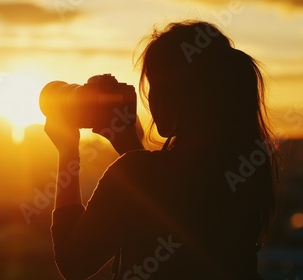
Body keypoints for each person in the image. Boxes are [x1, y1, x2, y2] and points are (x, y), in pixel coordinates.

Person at [44, 20, 280, 280]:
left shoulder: (139, 172)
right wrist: (129, 147)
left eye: (154, 85)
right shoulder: (247, 168)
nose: (150, 98)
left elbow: (73, 263)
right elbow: (166, 208)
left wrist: (67, 151)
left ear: (173, 95)